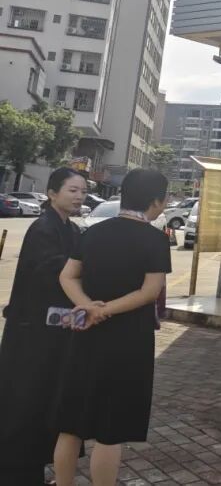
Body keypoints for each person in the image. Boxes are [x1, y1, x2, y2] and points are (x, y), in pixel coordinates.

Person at [52, 168, 173, 486]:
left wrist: (88, 307)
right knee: (110, 430)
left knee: (71, 424)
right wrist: (103, 310)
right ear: (155, 201)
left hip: (85, 336)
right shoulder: (155, 239)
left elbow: (67, 276)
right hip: (128, 340)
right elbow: (149, 292)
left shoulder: (92, 232)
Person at [0, 167, 85, 486]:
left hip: (57, 331)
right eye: (72, 190)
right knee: (25, 403)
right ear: (51, 193)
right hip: (31, 333)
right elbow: (54, 273)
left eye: (82, 191)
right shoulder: (42, 228)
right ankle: (17, 474)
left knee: (49, 401)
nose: (79, 196)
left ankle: (43, 467)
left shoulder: (73, 229)